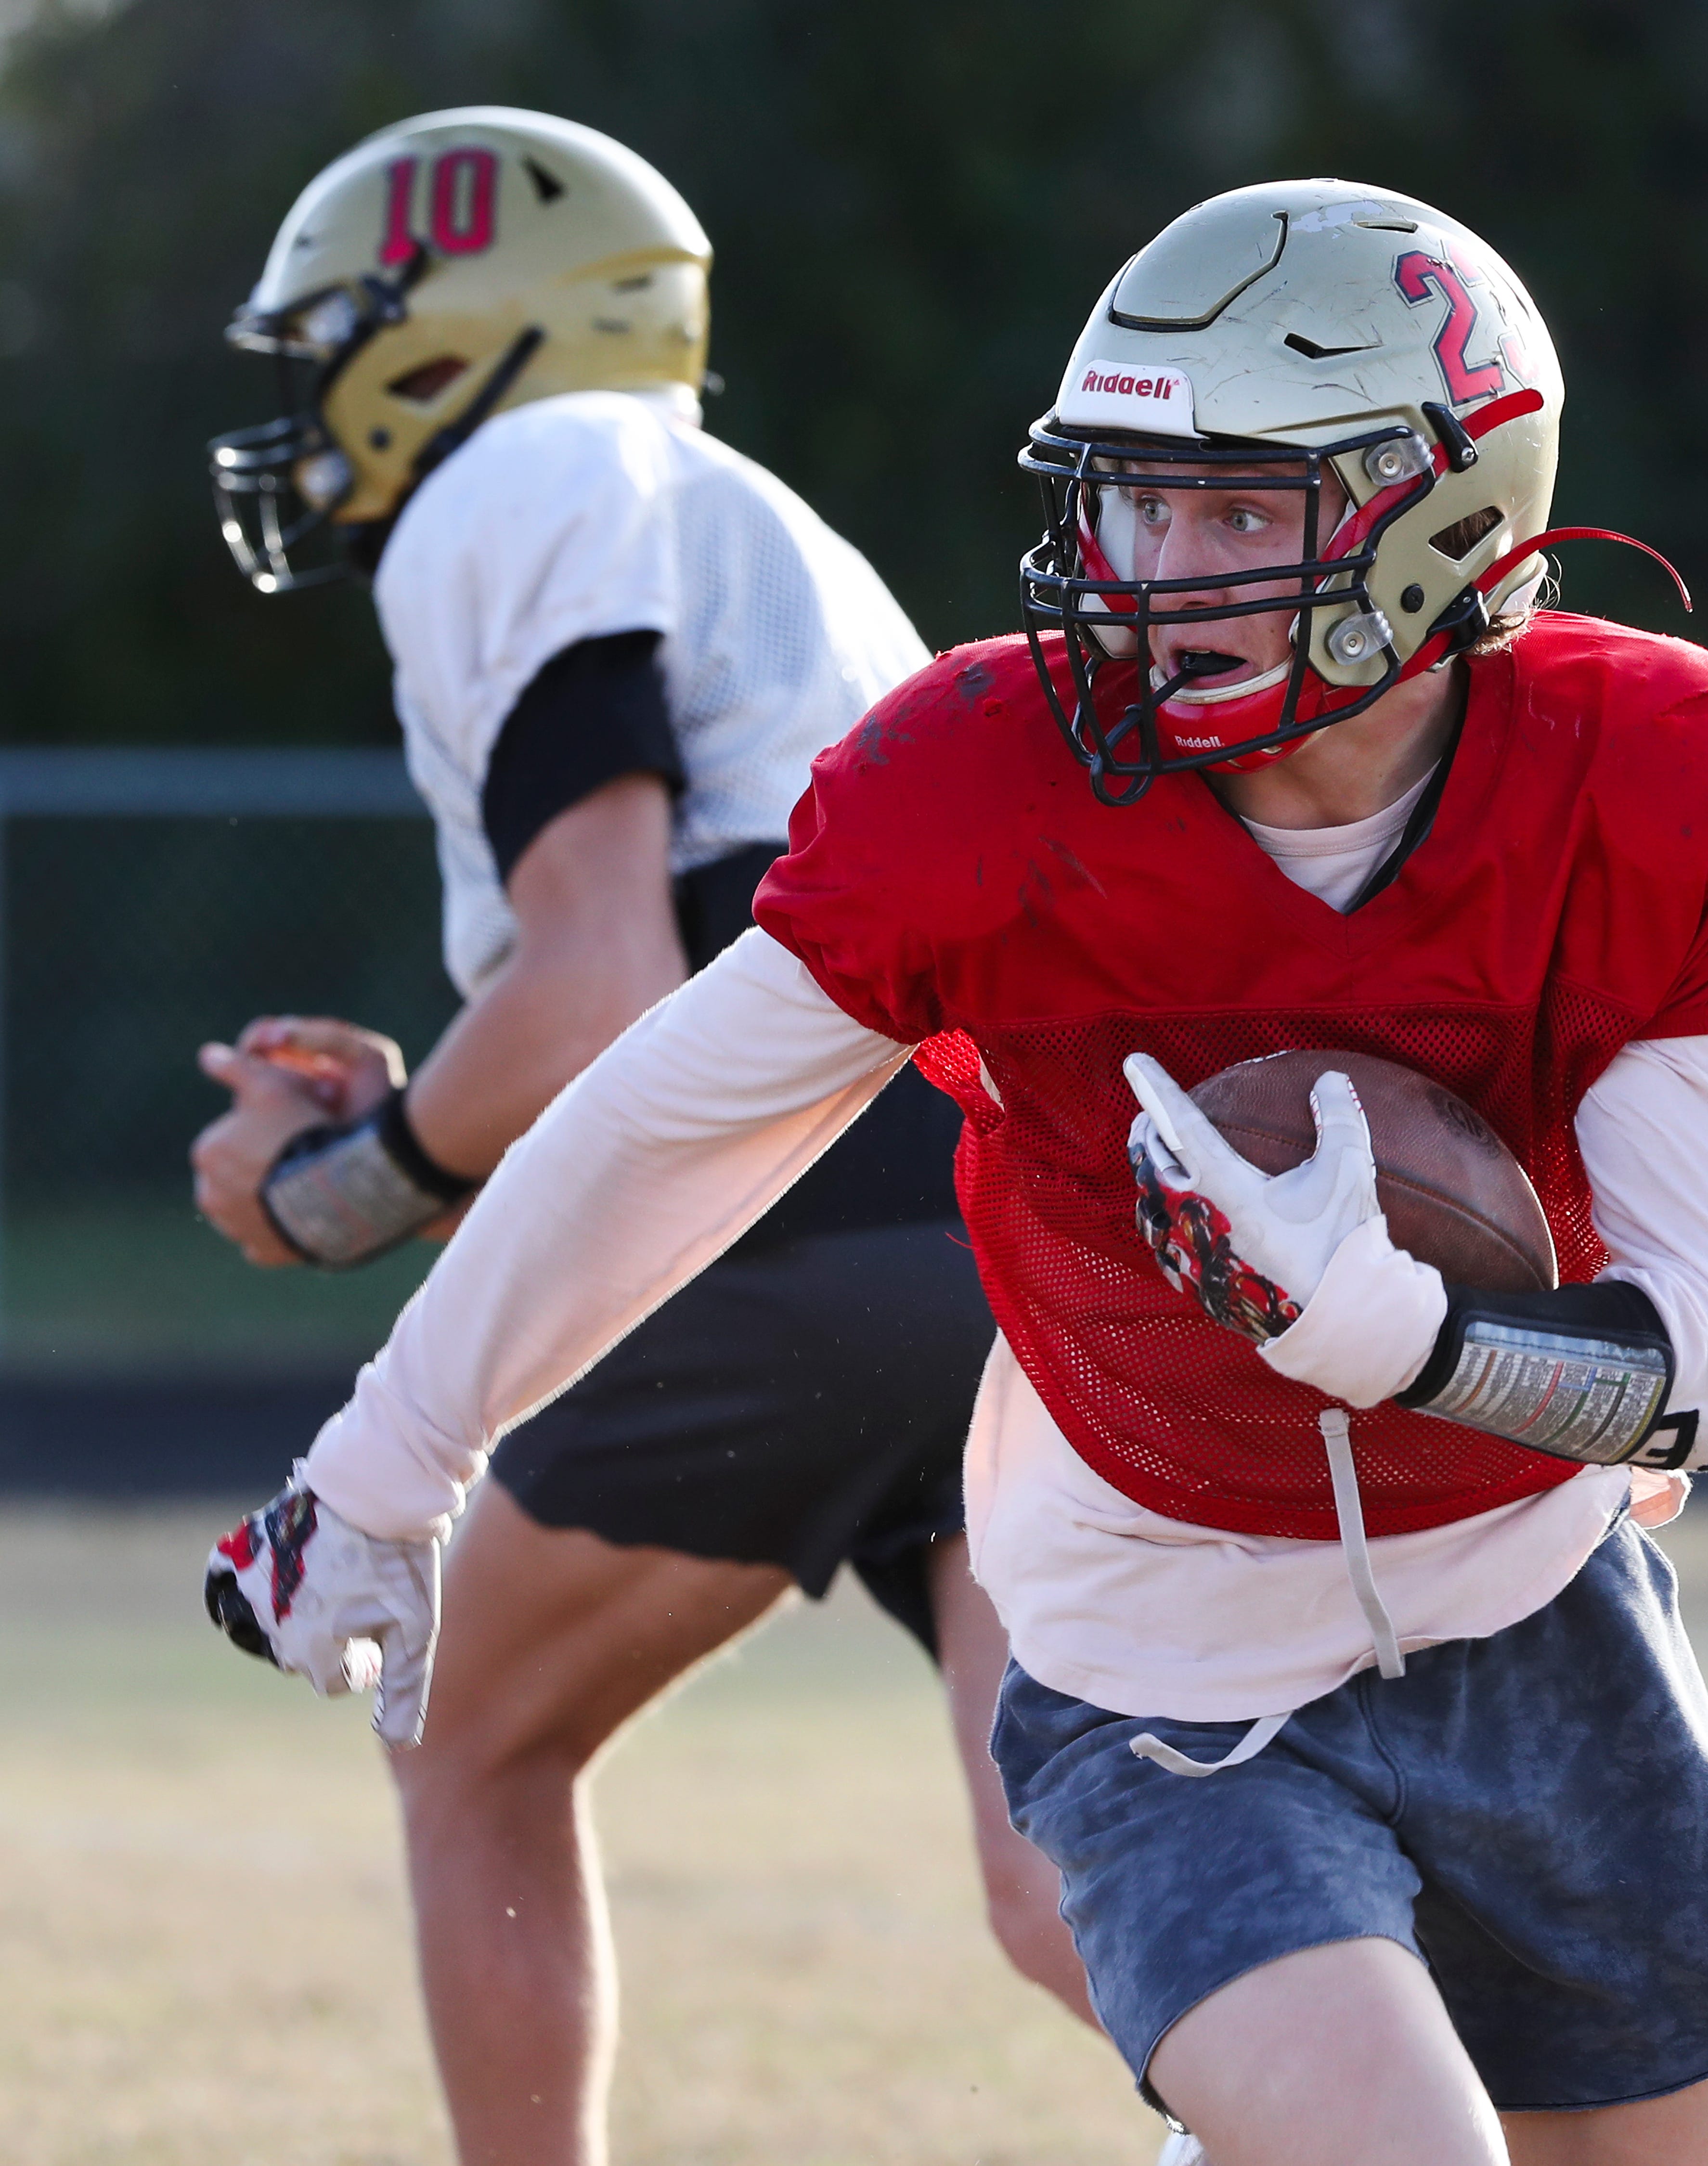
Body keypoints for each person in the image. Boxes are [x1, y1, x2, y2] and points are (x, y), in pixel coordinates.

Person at [206, 177, 1708, 2166]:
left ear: (1446, 514)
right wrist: (388, 1467)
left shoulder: (1663, 778)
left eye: (1242, 510)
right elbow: (663, 1122)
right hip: (1157, 1635)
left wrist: (1399, 1332)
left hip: (1532, 1599)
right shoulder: (984, 784)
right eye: (1136, 500)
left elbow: (1699, 1370)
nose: (1161, 566)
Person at [191, 106, 1094, 2166]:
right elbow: (666, 1017)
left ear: (455, 327)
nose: (311, 400)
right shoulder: (737, 516)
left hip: (819, 1217)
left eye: (334, 341)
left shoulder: (518, 477)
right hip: (1018, 1210)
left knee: (466, 1738)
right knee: (1081, 1881)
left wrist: (342, 1185)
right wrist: (421, 1127)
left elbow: (609, 994)